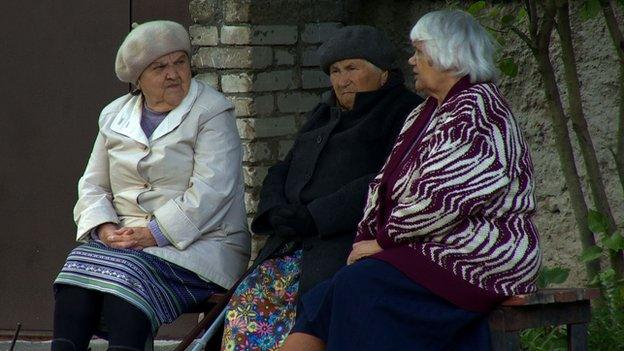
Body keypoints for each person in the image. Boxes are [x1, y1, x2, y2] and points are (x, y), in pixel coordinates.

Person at [282, 10, 541, 351]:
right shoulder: (427, 111)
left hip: (481, 251)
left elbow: (444, 197)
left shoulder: (479, 110)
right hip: (428, 244)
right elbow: (383, 186)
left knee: (360, 287)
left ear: (447, 54)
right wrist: (366, 236)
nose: (412, 60)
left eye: (419, 51)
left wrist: (382, 242)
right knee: (323, 297)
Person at [221, 25, 423, 350]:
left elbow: (385, 180)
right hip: (293, 245)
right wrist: (276, 212)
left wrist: (315, 216)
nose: (343, 80)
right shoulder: (324, 112)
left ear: (384, 73)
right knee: (250, 302)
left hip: (344, 245)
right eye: (335, 71)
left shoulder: (405, 112)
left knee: (312, 314)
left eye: (352, 68)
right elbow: (283, 168)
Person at [51, 21, 250, 351]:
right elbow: (93, 185)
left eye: (180, 62)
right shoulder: (114, 115)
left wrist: (155, 233)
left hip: (202, 244)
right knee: (76, 273)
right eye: (160, 67)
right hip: (129, 243)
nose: (173, 74)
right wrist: (104, 228)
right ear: (139, 78)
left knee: (127, 279)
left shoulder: (212, 112)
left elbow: (213, 191)